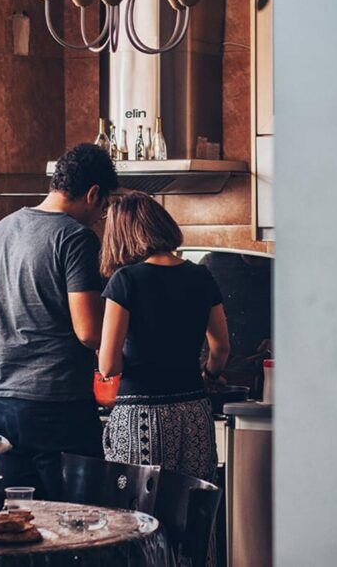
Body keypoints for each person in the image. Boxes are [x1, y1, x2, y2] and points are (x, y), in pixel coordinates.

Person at [0, 143, 118, 499]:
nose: (100, 216)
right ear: (93, 194)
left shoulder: (0, 231)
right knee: (80, 525)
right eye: (103, 207)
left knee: (23, 523)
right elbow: (89, 332)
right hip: (55, 403)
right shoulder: (75, 238)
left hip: (0, 399)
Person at [97, 192, 231, 482]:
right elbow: (220, 347)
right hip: (194, 411)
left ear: (121, 235)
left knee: (139, 516)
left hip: (141, 416)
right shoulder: (201, 276)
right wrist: (209, 375)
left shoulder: (126, 280)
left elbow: (109, 366)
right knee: (193, 510)